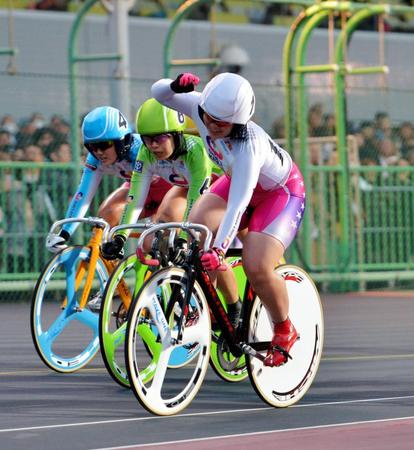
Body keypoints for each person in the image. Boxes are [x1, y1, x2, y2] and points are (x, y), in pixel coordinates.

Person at [151, 72, 306, 367]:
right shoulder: (200, 106)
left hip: (279, 194)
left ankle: (285, 328)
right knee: (196, 229)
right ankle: (203, 306)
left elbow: (237, 206)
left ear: (239, 122)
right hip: (236, 183)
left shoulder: (249, 146)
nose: (211, 125)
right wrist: (175, 85)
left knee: (256, 265)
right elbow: (159, 94)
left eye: (221, 123)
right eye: (209, 118)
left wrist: (220, 249)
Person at [101, 99, 217, 280]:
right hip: (188, 187)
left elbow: (196, 200)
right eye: (147, 139)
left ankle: (229, 298)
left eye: (159, 138)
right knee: (157, 233)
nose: (153, 145)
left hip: (220, 190)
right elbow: (135, 197)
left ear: (176, 134)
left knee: (204, 248)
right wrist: (120, 236)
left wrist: (183, 240)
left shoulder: (196, 152)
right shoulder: (146, 152)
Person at [45, 105, 173, 255]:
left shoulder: (142, 150)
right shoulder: (94, 159)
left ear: (122, 141)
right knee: (106, 216)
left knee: (153, 243)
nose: (98, 152)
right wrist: (65, 233)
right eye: (92, 147)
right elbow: (83, 194)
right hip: (138, 192)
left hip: (169, 192)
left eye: (104, 145)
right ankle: (110, 264)